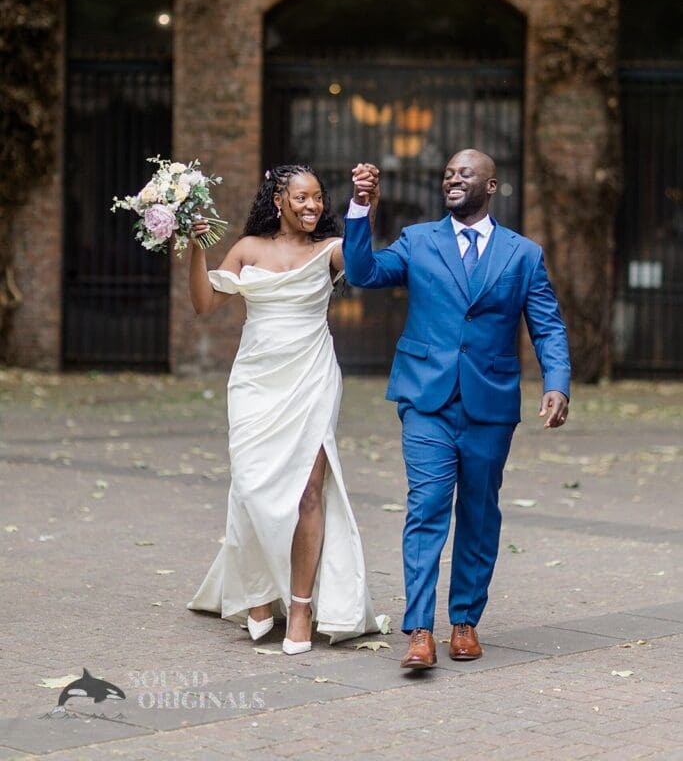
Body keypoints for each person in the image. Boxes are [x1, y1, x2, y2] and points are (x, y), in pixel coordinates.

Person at [343, 149, 570, 670]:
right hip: (427, 398)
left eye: (465, 173)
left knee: (479, 513)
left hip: (490, 403)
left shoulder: (523, 254)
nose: (453, 179)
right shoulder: (419, 240)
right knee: (426, 507)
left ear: (490, 186)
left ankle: (464, 621)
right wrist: (361, 209)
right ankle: (420, 631)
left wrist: (556, 382)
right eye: (448, 173)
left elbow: (548, 326)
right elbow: (363, 272)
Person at [186, 163, 385, 655]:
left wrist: (365, 206)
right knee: (250, 486)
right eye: (301, 197)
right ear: (279, 201)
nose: (312, 205)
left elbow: (361, 265)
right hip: (255, 381)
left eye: (318, 197)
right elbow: (205, 304)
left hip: (311, 376)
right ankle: (257, 591)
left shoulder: (330, 249)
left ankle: (300, 607)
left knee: (309, 491)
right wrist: (196, 246)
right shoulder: (248, 249)